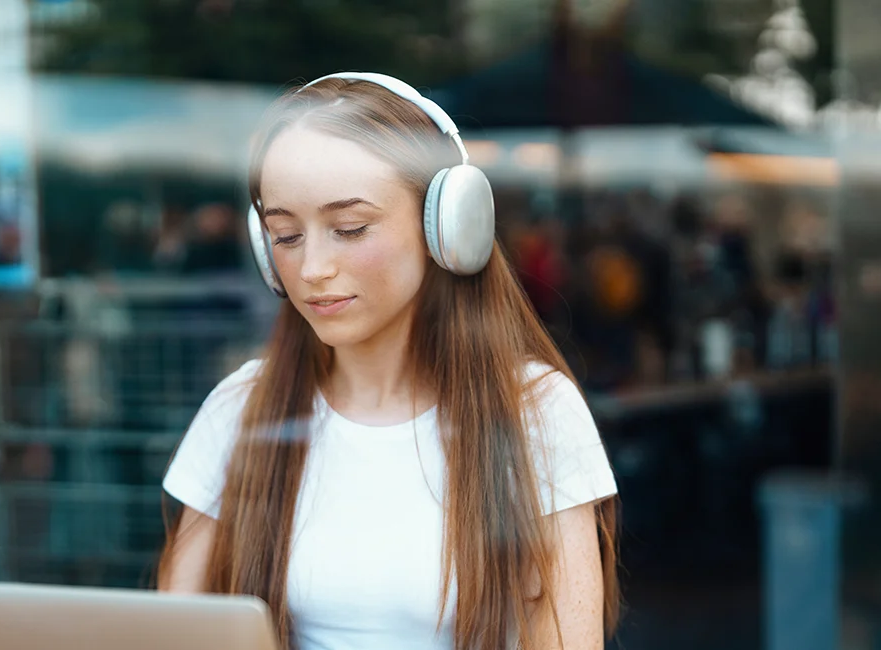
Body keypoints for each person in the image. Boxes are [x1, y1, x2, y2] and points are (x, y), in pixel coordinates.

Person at [156, 73, 620, 650]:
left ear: (447, 225)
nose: (313, 268)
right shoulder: (241, 409)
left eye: (349, 229)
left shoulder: (534, 411)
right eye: (285, 235)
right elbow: (171, 633)